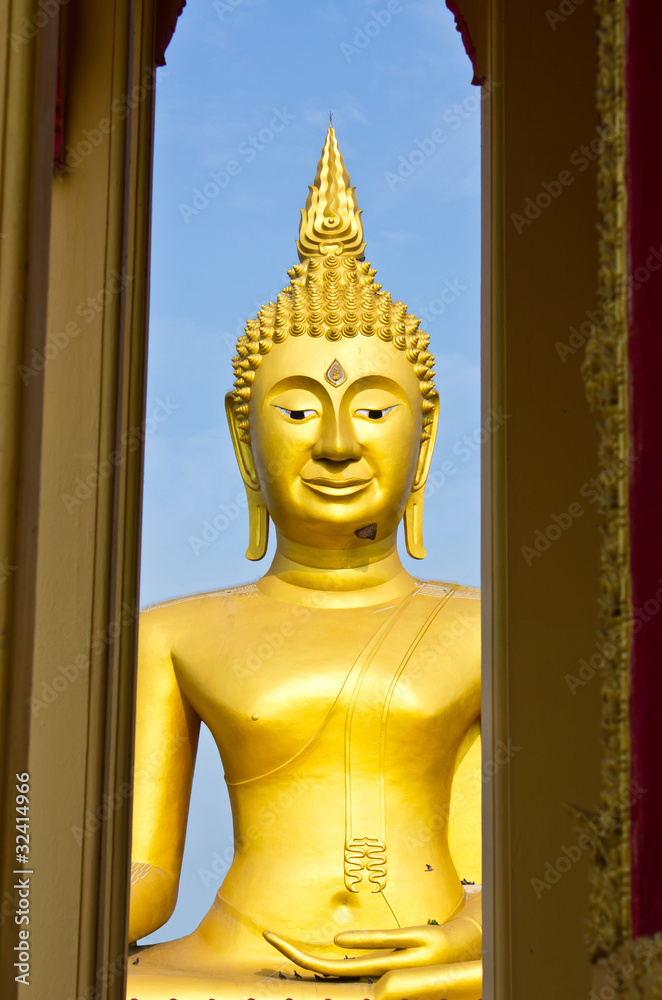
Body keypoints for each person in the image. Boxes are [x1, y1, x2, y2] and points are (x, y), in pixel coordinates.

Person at [127, 127, 482, 1000]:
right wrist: (28, 903)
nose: (333, 443)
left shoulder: (481, 629)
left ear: (423, 438)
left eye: (371, 410)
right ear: (243, 444)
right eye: (295, 411)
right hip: (233, 970)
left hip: (429, 974)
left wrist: (467, 940)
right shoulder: (174, 636)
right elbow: (141, 878)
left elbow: (496, 871)